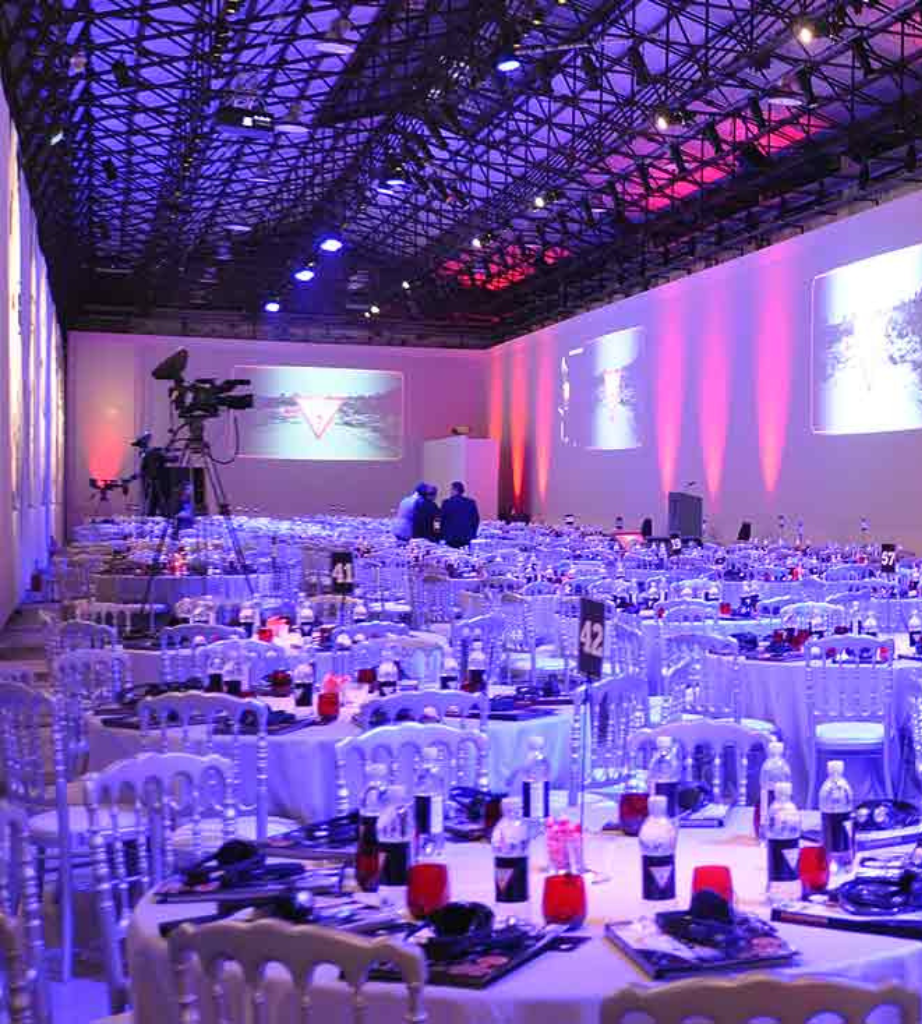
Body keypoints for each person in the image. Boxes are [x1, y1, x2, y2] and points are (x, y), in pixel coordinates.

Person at [440, 481, 480, 548]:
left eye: (451, 489)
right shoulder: (471, 503)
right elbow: (476, 519)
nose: (450, 492)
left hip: (450, 537)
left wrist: (439, 533)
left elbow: (440, 520)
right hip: (466, 536)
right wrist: (473, 533)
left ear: (454, 490)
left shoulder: (446, 503)